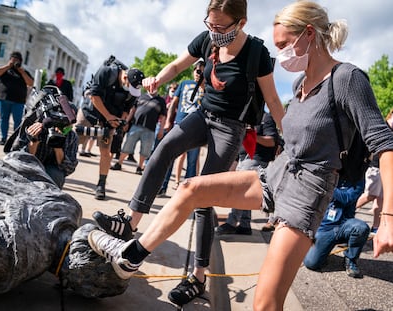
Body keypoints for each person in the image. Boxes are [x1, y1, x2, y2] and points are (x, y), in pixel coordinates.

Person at [88, 1, 393, 309]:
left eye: (285, 45)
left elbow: (385, 144)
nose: (281, 55)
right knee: (190, 189)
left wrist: (389, 219)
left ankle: (194, 274)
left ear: (309, 34)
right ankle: (129, 257)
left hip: (307, 193)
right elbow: (289, 129)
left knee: (265, 302)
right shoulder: (301, 82)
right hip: (277, 175)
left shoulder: (347, 78)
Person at [92, 0, 284, 306]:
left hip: (231, 127)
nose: (215, 32)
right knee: (164, 147)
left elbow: (273, 99)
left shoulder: (256, 53)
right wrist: (158, 78)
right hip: (203, 115)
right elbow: (178, 65)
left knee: (203, 197)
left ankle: (198, 276)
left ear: (242, 23)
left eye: (222, 27)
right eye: (211, 24)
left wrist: (289, 138)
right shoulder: (206, 38)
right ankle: (131, 221)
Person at [81, 56, 144, 200]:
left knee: (105, 151)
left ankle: (101, 185)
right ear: (125, 76)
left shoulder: (132, 89)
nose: (131, 91)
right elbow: (94, 96)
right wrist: (108, 116)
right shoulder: (107, 73)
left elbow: (127, 108)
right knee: (74, 138)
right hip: (90, 112)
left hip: (109, 118)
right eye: (131, 86)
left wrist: (120, 121)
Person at [215, 112, 278, 235]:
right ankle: (245, 225)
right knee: (246, 193)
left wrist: (254, 137)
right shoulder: (245, 118)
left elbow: (271, 141)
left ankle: (232, 222)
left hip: (256, 158)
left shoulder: (266, 117)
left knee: (241, 190)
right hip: (243, 157)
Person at [157, 60, 206, 196]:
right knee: (170, 155)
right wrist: (168, 121)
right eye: (197, 71)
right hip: (180, 124)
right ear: (193, 71)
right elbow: (174, 103)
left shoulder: (207, 88)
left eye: (202, 71)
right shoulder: (185, 84)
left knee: (192, 161)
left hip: (197, 128)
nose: (199, 74)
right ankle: (163, 186)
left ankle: (186, 194)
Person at [304, 179, 370, 278]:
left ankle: (350, 259)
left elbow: (347, 198)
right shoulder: (328, 174)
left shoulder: (358, 180)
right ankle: (322, 250)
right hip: (324, 228)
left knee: (361, 228)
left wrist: (327, 185)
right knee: (311, 264)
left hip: (344, 225)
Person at [111, 91, 167, 175]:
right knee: (127, 145)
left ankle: (140, 167)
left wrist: (161, 130)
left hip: (150, 129)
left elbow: (163, 117)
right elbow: (132, 110)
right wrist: (126, 122)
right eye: (151, 86)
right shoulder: (141, 97)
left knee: (145, 150)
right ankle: (119, 163)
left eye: (155, 86)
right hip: (136, 125)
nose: (152, 88)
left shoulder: (161, 101)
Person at [356, 109, 393, 233]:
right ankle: (346, 212)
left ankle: (376, 227)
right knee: (370, 195)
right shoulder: (383, 127)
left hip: (385, 169)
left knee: (380, 199)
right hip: (375, 168)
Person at [17, 119, 79, 189]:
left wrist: (57, 146)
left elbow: (69, 168)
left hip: (52, 170)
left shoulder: (71, 136)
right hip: (31, 165)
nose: (67, 127)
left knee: (55, 175)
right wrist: (34, 141)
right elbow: (20, 160)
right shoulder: (32, 127)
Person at [0, 51, 34, 145]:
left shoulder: (24, 72)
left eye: (17, 60)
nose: (15, 61)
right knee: (4, 119)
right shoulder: (5, 70)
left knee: (18, 121)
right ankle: (3, 138)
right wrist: (8, 66)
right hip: (3, 98)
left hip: (18, 101)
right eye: (13, 59)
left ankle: (16, 140)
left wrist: (22, 72)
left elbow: (30, 83)